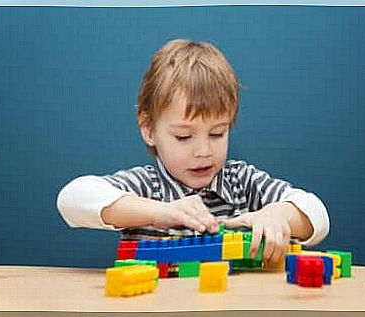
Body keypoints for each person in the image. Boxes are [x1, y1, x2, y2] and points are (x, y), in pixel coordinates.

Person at [57, 39, 330, 265]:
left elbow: (317, 216)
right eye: (184, 136)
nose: (203, 151)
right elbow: (71, 199)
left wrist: (278, 216)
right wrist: (159, 212)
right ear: (149, 129)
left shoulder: (242, 182)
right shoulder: (146, 187)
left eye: (217, 133)